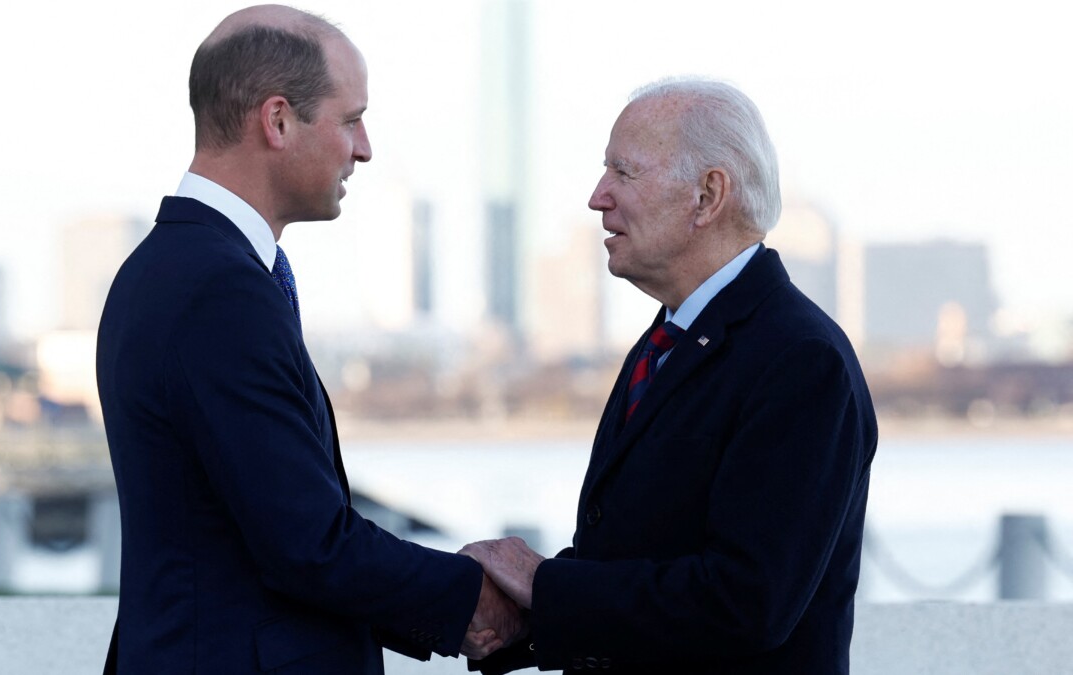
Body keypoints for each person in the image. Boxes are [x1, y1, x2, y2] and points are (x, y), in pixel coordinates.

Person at [95, 6, 522, 673]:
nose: (365, 147)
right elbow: (307, 543)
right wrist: (480, 600)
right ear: (277, 120)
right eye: (351, 119)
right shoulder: (218, 290)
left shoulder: (169, 267)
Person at [462, 78, 878, 674]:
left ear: (708, 196)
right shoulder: (668, 342)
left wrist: (545, 588)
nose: (597, 197)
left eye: (623, 173)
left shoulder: (800, 360)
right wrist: (527, 612)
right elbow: (638, 553)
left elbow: (745, 603)